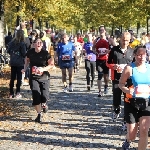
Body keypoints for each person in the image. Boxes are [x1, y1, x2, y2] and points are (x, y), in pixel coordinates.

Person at [119, 45, 150, 150]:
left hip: (146, 102)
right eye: (139, 55)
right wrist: (128, 90)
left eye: (144, 54)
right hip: (131, 102)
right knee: (132, 134)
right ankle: (128, 140)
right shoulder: (129, 68)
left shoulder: (149, 68)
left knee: (144, 130)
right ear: (134, 55)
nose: (141, 57)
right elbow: (121, 84)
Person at [22, 37, 54, 123]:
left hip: (44, 77)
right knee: (36, 94)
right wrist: (24, 69)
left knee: (44, 96)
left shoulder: (45, 53)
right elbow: (27, 60)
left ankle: (44, 104)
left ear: (42, 44)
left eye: (40, 42)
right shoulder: (30, 52)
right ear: (34, 44)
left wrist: (43, 69)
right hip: (34, 77)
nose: (39, 44)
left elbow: (51, 64)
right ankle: (39, 114)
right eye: (37, 42)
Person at [107, 32, 134, 122]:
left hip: (128, 80)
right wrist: (113, 66)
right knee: (116, 98)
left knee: (128, 100)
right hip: (117, 78)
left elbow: (135, 64)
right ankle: (117, 109)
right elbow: (108, 62)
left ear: (129, 40)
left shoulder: (132, 51)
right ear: (120, 39)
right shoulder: (114, 50)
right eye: (123, 40)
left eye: (127, 40)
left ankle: (126, 120)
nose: (125, 42)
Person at [7, 30, 26, 98]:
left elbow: (8, 51)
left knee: (12, 78)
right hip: (20, 62)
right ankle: (18, 92)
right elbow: (24, 54)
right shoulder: (22, 43)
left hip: (13, 62)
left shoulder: (11, 43)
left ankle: (11, 92)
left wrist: (13, 54)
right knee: (19, 78)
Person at [93, 25, 109, 97]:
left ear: (105, 31)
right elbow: (93, 48)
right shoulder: (96, 40)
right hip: (99, 59)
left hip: (106, 60)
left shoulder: (108, 39)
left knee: (106, 76)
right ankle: (99, 91)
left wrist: (108, 51)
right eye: (100, 30)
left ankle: (106, 86)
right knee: (99, 75)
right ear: (99, 31)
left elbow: (113, 48)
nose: (101, 31)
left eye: (103, 30)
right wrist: (95, 52)